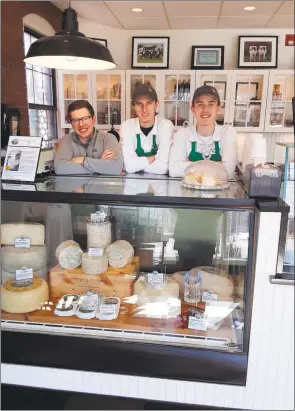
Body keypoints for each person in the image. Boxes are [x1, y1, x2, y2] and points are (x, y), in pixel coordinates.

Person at [169, 85, 237, 178]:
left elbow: (228, 172)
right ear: (193, 109)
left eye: (211, 104)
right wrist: (217, 165)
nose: (205, 109)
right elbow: (174, 170)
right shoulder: (182, 134)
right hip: (188, 190)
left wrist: (189, 164)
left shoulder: (227, 133)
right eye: (200, 104)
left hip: (219, 191)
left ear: (218, 108)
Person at [54, 100, 123, 175]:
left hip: (101, 186)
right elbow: (60, 168)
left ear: (93, 119)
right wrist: (100, 165)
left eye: (85, 118)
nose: (81, 124)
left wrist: (83, 160)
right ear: (71, 123)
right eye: (75, 120)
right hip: (75, 186)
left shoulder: (108, 139)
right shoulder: (67, 140)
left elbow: (116, 168)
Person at [120, 84, 173, 174]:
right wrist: (153, 158)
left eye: (149, 103)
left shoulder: (165, 126)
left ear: (156, 104)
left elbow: (162, 168)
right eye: (139, 104)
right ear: (134, 107)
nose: (144, 109)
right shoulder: (126, 127)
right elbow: (128, 165)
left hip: (159, 185)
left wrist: (137, 166)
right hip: (133, 186)